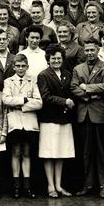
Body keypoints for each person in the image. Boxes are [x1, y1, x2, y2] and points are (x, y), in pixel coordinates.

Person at [71, 39, 104, 198]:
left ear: (98, 50)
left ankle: (103, 186)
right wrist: (90, 96)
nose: (89, 53)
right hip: (84, 114)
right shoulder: (77, 69)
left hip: (100, 115)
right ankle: (88, 185)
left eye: (92, 50)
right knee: (86, 152)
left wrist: (86, 87)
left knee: (102, 153)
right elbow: (73, 87)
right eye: (87, 50)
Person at [37, 44, 75, 197]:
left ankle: (59, 185)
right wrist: (65, 101)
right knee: (49, 153)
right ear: (48, 59)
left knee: (61, 153)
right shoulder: (43, 75)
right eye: (53, 58)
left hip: (65, 119)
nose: (56, 61)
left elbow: (72, 91)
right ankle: (50, 186)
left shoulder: (67, 74)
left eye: (59, 58)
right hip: (49, 119)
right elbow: (45, 97)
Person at [2, 54, 42, 198]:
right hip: (14, 121)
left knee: (26, 153)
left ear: (27, 67)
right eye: (17, 66)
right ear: (13, 67)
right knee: (16, 153)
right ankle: (16, 186)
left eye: (23, 66)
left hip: (29, 121)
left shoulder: (32, 81)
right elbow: (6, 99)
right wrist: (25, 99)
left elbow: (39, 102)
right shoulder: (8, 81)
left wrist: (20, 105)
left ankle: (27, 185)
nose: (20, 69)